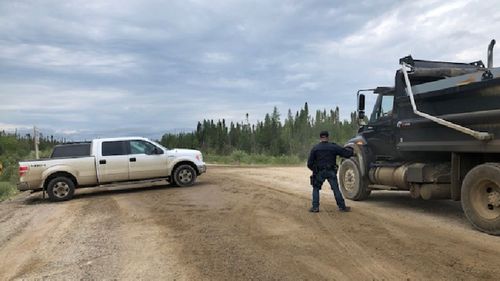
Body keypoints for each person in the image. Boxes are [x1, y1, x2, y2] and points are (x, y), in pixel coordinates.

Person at [307, 130, 353, 213]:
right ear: (328, 137)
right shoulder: (333, 147)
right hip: (331, 171)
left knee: (316, 188)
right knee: (335, 189)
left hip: (319, 172)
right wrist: (352, 150)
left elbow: (309, 163)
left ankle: (315, 207)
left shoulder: (315, 148)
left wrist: (315, 170)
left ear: (320, 138)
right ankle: (342, 207)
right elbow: (346, 153)